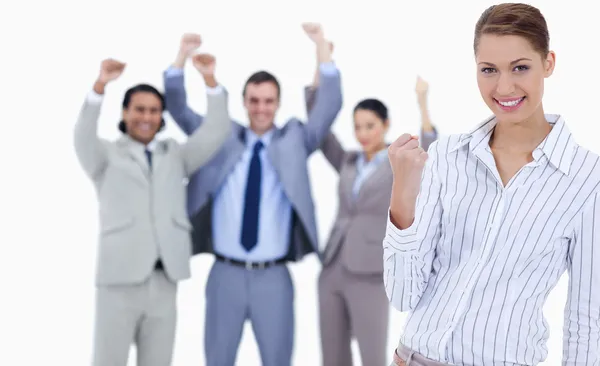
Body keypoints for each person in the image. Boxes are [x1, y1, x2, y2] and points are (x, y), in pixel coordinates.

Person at [384, 2, 600, 366]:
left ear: (548, 63)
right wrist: (403, 195)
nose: (504, 86)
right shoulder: (448, 155)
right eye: (489, 70)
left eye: (520, 67)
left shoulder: (587, 179)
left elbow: (587, 320)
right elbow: (404, 294)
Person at [163, 24, 342, 366]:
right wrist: (182, 58)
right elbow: (179, 110)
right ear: (244, 102)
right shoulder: (221, 137)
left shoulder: (294, 140)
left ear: (278, 103)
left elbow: (328, 106)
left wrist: (321, 47)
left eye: (268, 101)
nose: (261, 109)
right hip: (224, 275)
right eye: (254, 101)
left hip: (274, 278)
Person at [74, 54, 231, 366]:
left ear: (162, 117)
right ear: (125, 112)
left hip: (164, 280)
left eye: (154, 111)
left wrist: (210, 81)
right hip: (118, 281)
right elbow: (82, 136)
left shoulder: (175, 155)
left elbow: (215, 131)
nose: (146, 117)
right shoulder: (105, 156)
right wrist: (100, 86)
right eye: (139, 110)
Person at [305, 45, 437, 366]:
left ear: (386, 125)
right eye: (357, 127)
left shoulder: (397, 161)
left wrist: (422, 103)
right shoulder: (348, 160)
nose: (362, 134)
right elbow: (319, 130)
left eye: (370, 126)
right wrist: (320, 62)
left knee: (372, 356)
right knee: (332, 357)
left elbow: (430, 154)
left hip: (370, 272)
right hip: (332, 267)